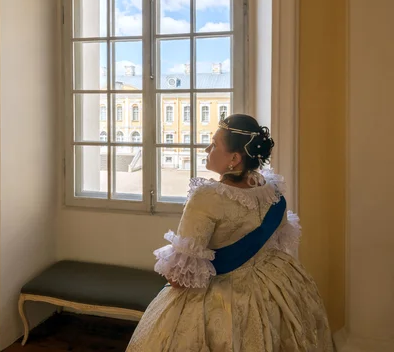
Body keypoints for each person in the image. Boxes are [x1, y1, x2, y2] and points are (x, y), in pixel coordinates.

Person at [126, 114, 333, 352]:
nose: (207, 148)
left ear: (234, 158)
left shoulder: (207, 197)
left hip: (223, 300)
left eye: (214, 144)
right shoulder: (272, 190)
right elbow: (276, 243)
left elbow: (178, 278)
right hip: (278, 290)